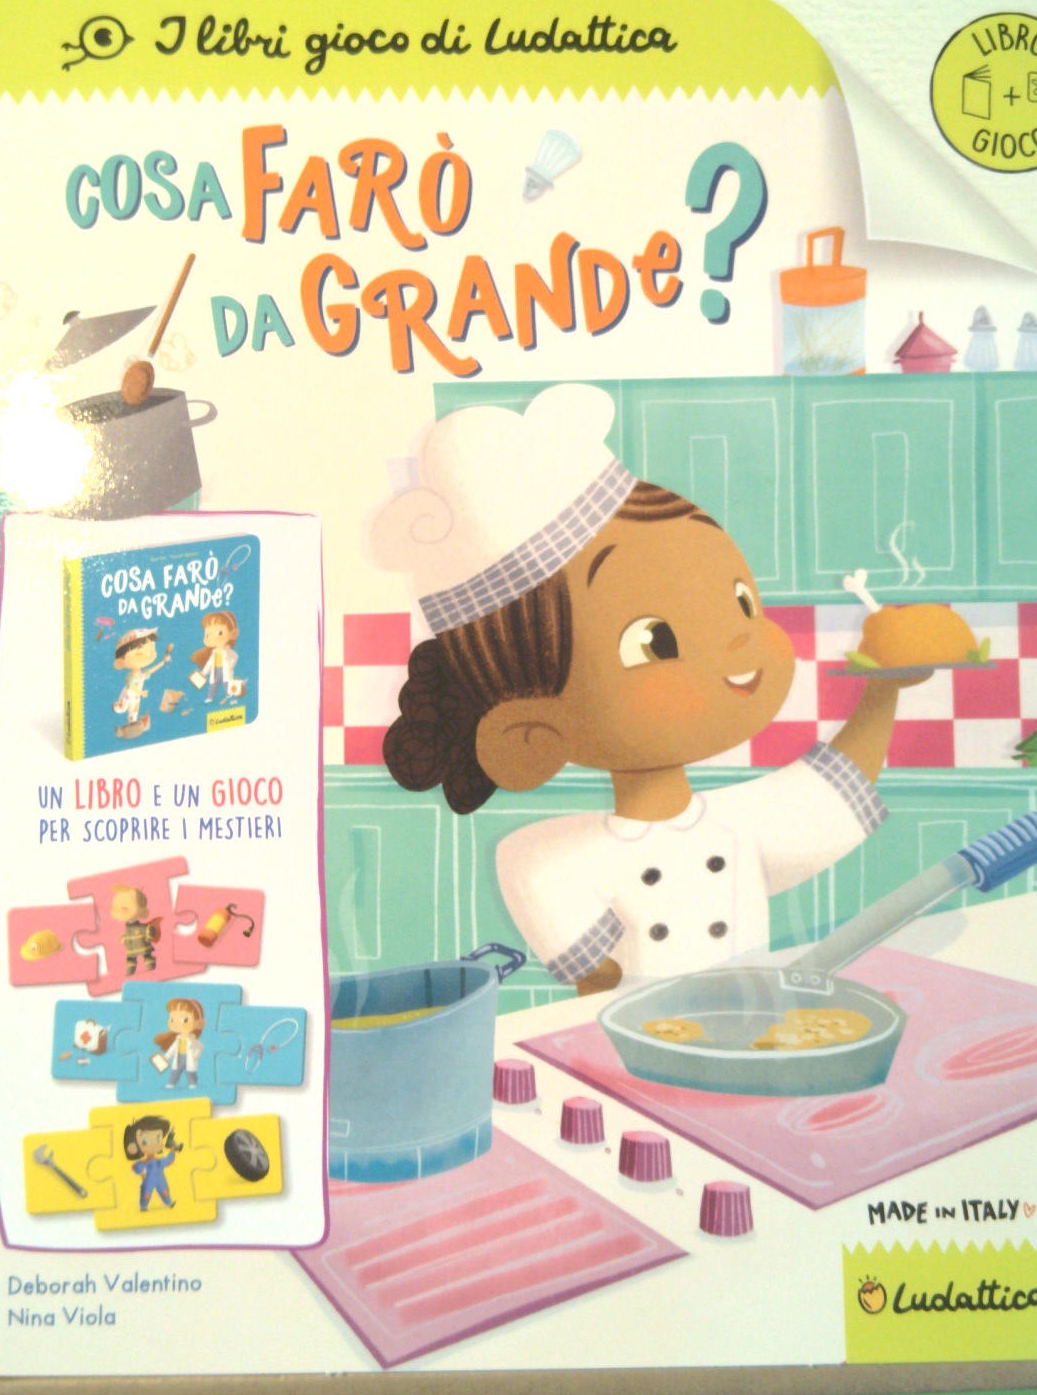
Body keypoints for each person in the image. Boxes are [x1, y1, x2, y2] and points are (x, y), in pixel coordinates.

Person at [371, 385, 936, 993]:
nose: (738, 643)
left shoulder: (741, 825)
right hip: (638, 1035)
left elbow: (834, 789)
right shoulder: (548, 860)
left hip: (758, 1027)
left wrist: (885, 689)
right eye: (654, 641)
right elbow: (594, 988)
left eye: (742, 602)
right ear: (529, 737)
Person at [113, 629, 172, 737]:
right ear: (120, 662)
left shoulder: (141, 674)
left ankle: (131, 728)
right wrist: (141, 692)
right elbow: (130, 686)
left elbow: (152, 670)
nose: (144, 656)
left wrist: (163, 662)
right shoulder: (133, 676)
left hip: (136, 697)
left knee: (133, 715)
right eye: (137, 653)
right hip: (128, 695)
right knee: (121, 708)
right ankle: (116, 707)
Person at [123, 1115, 180, 1211]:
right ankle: (143, 1206)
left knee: (165, 1191)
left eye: (158, 1138)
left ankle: (169, 1203)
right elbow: (137, 1167)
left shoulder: (159, 1161)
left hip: (160, 1179)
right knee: (146, 1194)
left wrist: (173, 1151)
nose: (154, 1143)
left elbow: (168, 1160)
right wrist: (142, 1173)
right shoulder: (145, 1162)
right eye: (145, 1141)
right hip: (148, 1180)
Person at [108, 884, 159, 977]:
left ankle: (150, 966)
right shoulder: (128, 929)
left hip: (143, 947)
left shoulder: (141, 928)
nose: (119, 912)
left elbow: (149, 929)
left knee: (147, 955)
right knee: (131, 959)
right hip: (131, 950)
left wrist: (148, 937)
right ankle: (130, 970)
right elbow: (126, 935)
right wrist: (124, 939)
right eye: (115, 908)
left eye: (125, 908)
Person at [190, 611, 240, 702]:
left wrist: (230, 666)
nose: (210, 637)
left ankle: (230, 697)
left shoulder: (229, 652)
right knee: (213, 684)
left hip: (225, 670)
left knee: (227, 684)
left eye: (219, 633)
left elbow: (235, 657)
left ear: (232, 634)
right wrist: (204, 672)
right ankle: (210, 697)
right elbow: (210, 663)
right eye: (207, 634)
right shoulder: (214, 652)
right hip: (216, 670)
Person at [156, 997, 204, 1088]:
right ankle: (171, 1083)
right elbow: (172, 1049)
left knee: (190, 1072)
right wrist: (166, 1057)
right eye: (172, 1019)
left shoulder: (193, 1041)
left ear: (199, 1023)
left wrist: (195, 1055)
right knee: (176, 1070)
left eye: (185, 1020)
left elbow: (200, 1047)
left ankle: (193, 1084)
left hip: (189, 1057)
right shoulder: (178, 1039)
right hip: (179, 1057)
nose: (176, 1024)